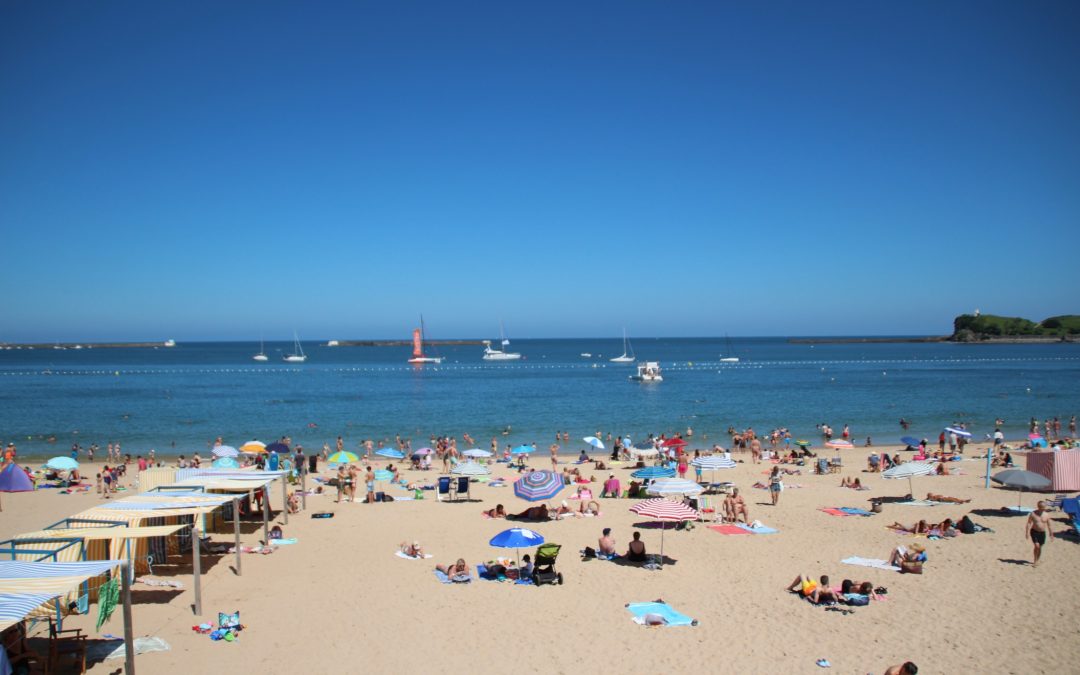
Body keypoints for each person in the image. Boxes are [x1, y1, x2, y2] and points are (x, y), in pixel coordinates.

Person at [1025, 501, 1053, 567]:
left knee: (1040, 547)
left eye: (1044, 508)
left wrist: (1051, 534)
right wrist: (1027, 532)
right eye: (1042, 508)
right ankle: (1035, 561)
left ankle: (1037, 560)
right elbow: (1029, 523)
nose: (1043, 509)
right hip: (1034, 531)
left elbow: (1049, 525)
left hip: (1042, 533)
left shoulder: (1046, 515)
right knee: (1036, 546)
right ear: (1039, 507)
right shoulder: (1033, 514)